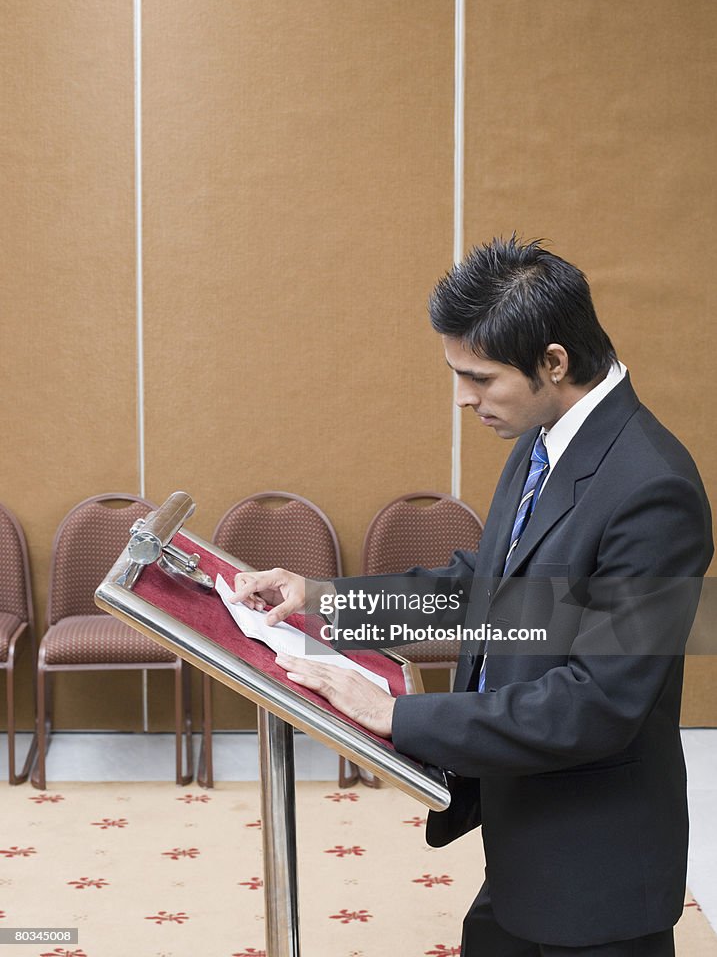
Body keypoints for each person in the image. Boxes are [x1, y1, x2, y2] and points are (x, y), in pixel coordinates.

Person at [231, 235, 713, 956]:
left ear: (553, 361)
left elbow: (596, 702)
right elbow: (489, 589)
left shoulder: (653, 489)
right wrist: (323, 598)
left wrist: (399, 714)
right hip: (528, 833)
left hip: (596, 865)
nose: (464, 398)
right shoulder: (545, 435)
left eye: (479, 377)